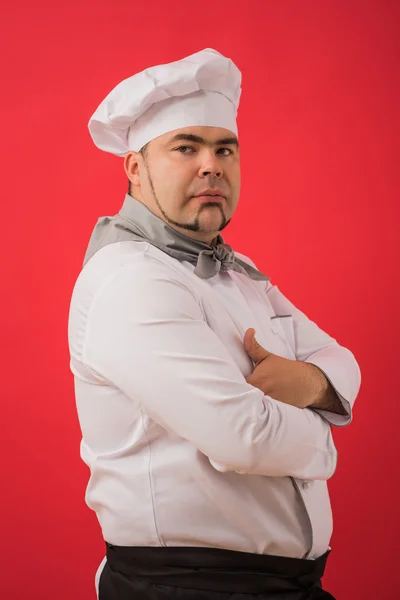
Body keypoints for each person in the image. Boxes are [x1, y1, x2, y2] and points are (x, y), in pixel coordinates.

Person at [68, 48, 361, 600]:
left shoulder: (239, 274)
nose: (212, 165)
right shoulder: (132, 281)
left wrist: (315, 384)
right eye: (186, 147)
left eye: (224, 148)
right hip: (185, 587)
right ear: (135, 168)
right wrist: (326, 438)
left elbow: (341, 360)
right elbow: (245, 438)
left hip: (283, 586)